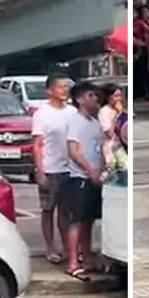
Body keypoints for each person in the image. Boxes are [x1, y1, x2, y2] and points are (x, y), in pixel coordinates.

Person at [63, 81, 105, 281]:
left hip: (95, 178)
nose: (95, 99)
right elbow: (73, 152)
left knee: (88, 221)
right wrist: (90, 171)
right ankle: (72, 262)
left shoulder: (95, 123)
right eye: (91, 95)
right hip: (80, 178)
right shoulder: (75, 121)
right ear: (80, 99)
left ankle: (87, 257)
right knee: (77, 222)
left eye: (96, 95)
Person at [31, 74, 73, 265]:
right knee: (48, 210)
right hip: (50, 168)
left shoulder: (72, 112)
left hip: (69, 169)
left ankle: (68, 248)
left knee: (66, 213)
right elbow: (37, 145)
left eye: (66, 86)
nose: (64, 90)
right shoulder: (42, 114)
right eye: (60, 87)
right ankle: (50, 247)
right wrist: (40, 170)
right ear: (49, 90)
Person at [98, 82, 124, 164]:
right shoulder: (104, 111)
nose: (119, 99)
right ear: (108, 97)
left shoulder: (118, 110)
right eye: (116, 96)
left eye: (120, 96)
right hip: (111, 149)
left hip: (121, 147)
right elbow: (110, 133)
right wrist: (117, 116)